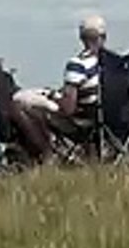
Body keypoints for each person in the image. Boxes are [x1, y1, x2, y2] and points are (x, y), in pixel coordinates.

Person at [13, 14, 114, 163]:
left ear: (81, 38)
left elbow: (68, 109)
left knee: (19, 104)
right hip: (108, 120)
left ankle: (46, 154)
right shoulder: (114, 65)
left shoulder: (78, 64)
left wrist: (54, 96)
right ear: (104, 36)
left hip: (82, 124)